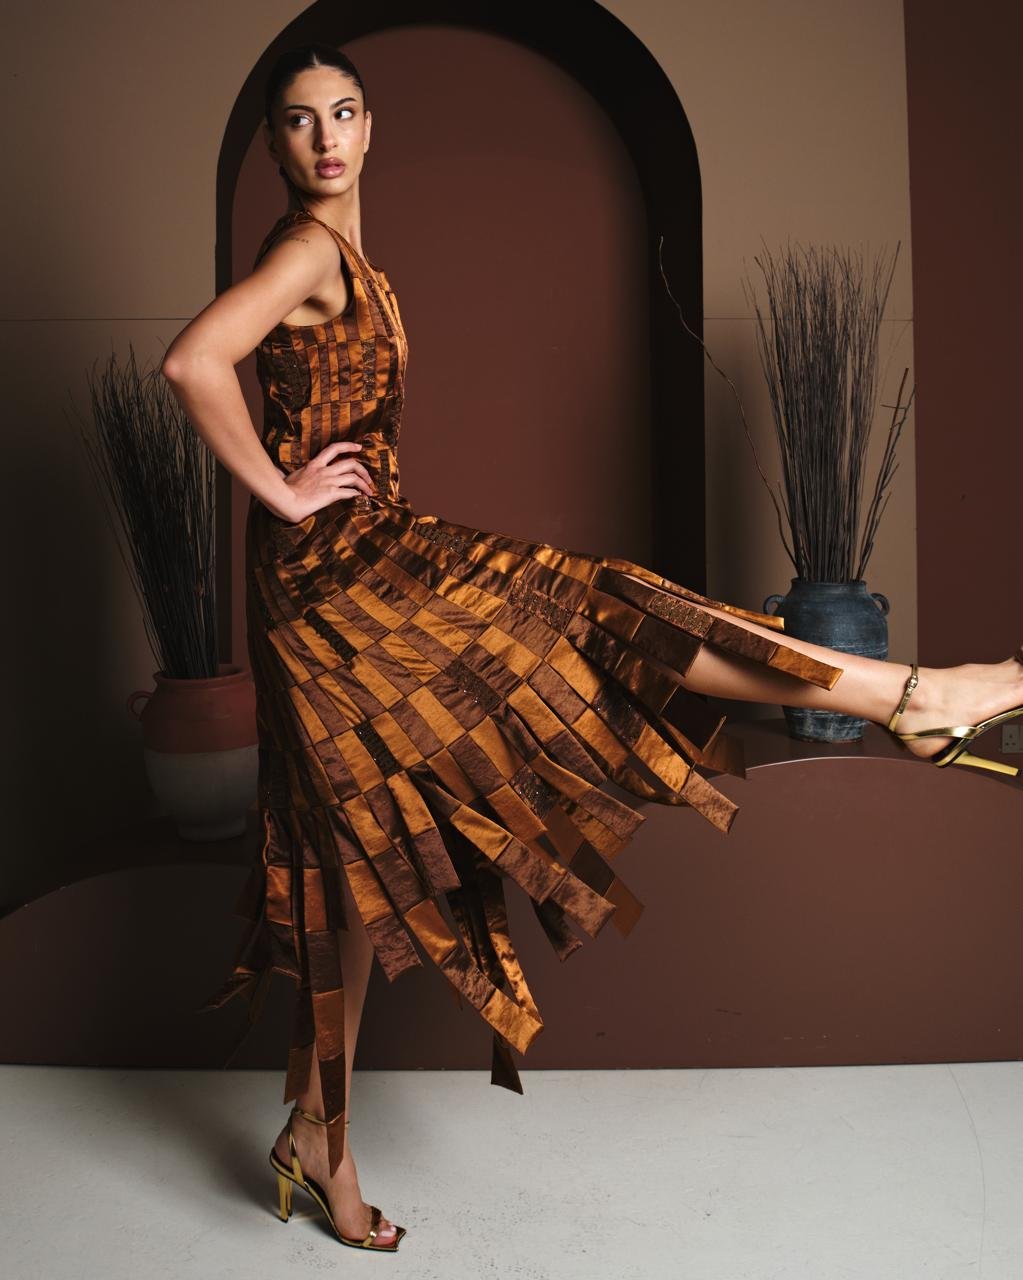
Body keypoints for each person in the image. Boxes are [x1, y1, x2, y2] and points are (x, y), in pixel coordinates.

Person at [161, 42, 1023, 1255]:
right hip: (337, 581)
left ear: (371, 123)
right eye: (299, 122)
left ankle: (317, 1131)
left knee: (357, 847)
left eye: (343, 113)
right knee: (606, 611)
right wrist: (282, 490)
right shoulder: (304, 251)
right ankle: (913, 694)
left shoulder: (350, 257)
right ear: (272, 142)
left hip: (350, 568)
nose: (326, 139)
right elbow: (191, 361)